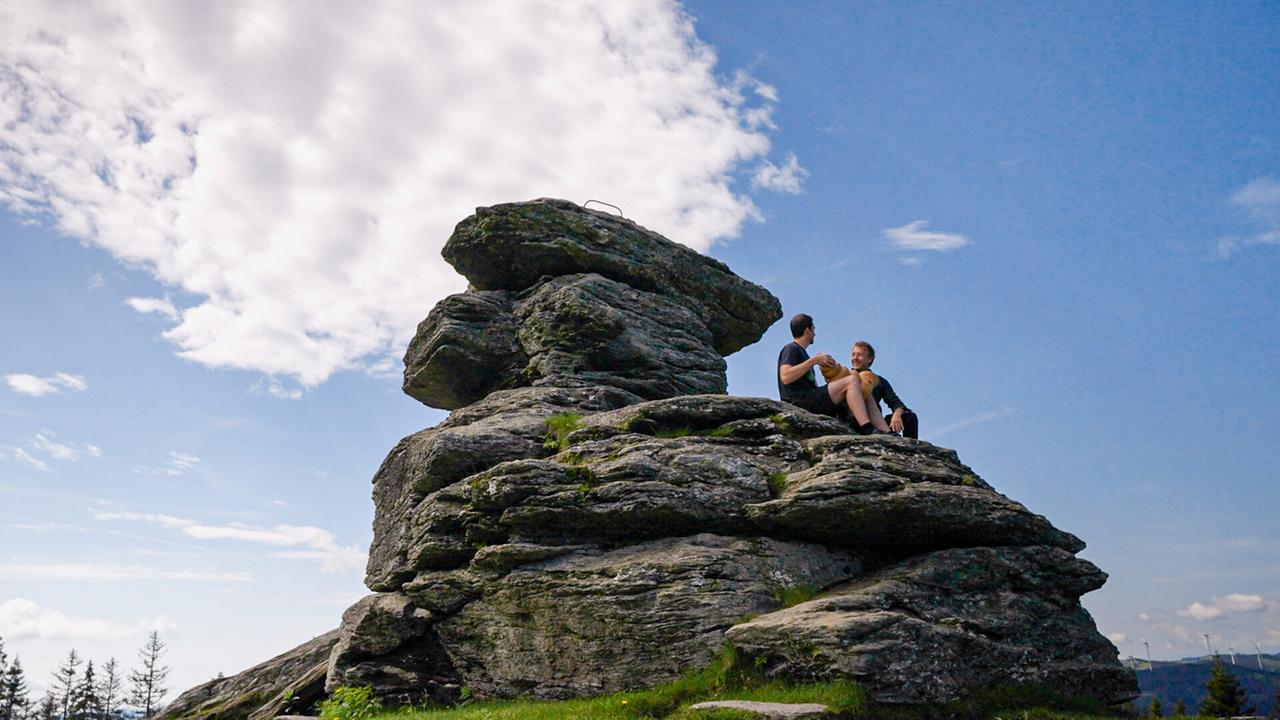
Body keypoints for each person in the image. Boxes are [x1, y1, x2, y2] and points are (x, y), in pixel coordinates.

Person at [777, 314, 890, 434]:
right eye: (813, 329)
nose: (815, 333)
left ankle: (886, 432)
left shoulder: (803, 353)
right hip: (801, 401)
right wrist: (814, 360)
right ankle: (866, 427)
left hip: (811, 398)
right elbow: (785, 376)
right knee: (851, 381)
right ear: (807, 330)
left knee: (863, 390)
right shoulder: (791, 349)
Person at [850, 340, 919, 439]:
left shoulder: (879, 381)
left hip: (876, 423)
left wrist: (897, 414)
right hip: (853, 420)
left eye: (859, 355)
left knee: (909, 417)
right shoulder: (845, 377)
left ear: (869, 359)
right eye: (853, 355)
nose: (855, 358)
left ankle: (910, 450)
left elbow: (895, 402)